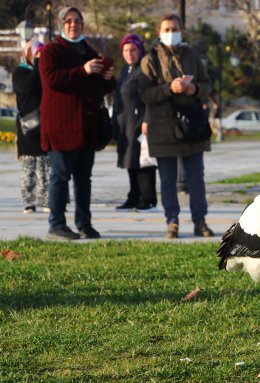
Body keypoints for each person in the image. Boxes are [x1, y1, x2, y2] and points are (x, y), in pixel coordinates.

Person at [39, 6, 116, 240]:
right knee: (60, 178)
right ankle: (57, 224)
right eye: (69, 21)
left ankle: (84, 223)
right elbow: (51, 79)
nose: (74, 25)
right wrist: (82, 70)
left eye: (78, 21)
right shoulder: (52, 51)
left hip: (86, 129)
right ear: (62, 25)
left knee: (84, 180)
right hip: (61, 128)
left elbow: (100, 88)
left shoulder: (87, 50)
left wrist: (107, 78)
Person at [138, 12, 214, 239]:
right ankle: (172, 222)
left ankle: (200, 221)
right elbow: (144, 93)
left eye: (175, 29)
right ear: (159, 33)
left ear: (182, 30)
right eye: (167, 30)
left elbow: (208, 84)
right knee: (168, 180)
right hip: (163, 127)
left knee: (196, 178)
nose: (172, 33)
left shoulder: (192, 54)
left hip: (192, 126)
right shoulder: (149, 59)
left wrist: (195, 89)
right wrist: (169, 88)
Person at [113, 33, 157, 212]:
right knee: (130, 160)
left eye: (133, 49)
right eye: (125, 50)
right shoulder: (126, 70)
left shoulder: (144, 69)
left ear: (140, 51)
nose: (129, 53)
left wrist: (147, 119)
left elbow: (149, 97)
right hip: (125, 123)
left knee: (143, 161)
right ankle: (134, 196)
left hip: (140, 122)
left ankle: (148, 199)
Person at [12, 39, 49, 214]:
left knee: (44, 164)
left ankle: (46, 199)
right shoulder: (20, 72)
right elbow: (28, 88)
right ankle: (29, 200)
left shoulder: (43, 72)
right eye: (33, 52)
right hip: (28, 125)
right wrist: (36, 66)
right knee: (29, 166)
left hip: (44, 124)